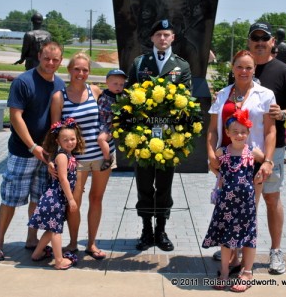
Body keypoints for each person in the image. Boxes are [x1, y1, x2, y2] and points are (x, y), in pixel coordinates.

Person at [0, 41, 65, 261]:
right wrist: (33, 146)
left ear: (61, 61)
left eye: (55, 59)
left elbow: (55, 121)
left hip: (46, 153)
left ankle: (32, 239)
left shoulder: (58, 84)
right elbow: (15, 116)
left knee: (38, 199)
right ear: (40, 56)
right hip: (23, 151)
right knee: (11, 199)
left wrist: (52, 149)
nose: (50, 63)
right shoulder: (23, 81)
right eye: (47, 58)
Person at [127, 19, 191, 252]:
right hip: (143, 135)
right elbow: (129, 97)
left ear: (173, 38)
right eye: (159, 35)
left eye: (167, 35)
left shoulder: (181, 66)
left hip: (168, 136)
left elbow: (187, 101)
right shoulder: (140, 62)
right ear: (152, 38)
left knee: (164, 185)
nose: (163, 39)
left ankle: (161, 230)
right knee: (144, 184)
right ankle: (146, 230)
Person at [207, 50, 276, 267]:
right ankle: (232, 258)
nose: (244, 71)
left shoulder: (265, 94)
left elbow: (270, 131)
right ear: (232, 68)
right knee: (226, 210)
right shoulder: (222, 95)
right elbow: (212, 130)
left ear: (255, 69)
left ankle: (245, 266)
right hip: (226, 162)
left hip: (251, 163)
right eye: (239, 66)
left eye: (248, 67)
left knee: (247, 213)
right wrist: (211, 155)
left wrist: (267, 160)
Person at [247, 22, 286, 274]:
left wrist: (283, 113)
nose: (260, 42)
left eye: (265, 38)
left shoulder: (283, 71)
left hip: (273, 148)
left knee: (271, 199)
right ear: (249, 42)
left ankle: (275, 251)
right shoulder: (242, 67)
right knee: (243, 200)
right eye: (255, 38)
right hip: (243, 148)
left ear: (273, 42)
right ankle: (238, 246)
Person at [50, 52, 115, 260]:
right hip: (75, 161)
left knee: (96, 199)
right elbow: (55, 131)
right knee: (74, 201)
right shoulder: (60, 97)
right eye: (76, 69)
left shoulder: (95, 91)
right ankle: (72, 242)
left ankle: (91, 243)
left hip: (101, 157)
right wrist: (53, 160)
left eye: (85, 70)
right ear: (69, 70)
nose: (80, 73)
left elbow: (108, 118)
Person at [203, 110, 264, 292]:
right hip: (226, 204)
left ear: (248, 133)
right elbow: (211, 165)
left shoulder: (252, 153)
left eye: (243, 132)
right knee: (225, 238)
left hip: (246, 205)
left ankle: (247, 272)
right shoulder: (223, 151)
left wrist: (260, 173)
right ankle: (224, 271)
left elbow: (266, 162)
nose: (239, 135)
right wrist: (221, 176)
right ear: (227, 133)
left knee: (248, 237)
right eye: (235, 131)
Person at [28, 118, 85, 270]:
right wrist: (72, 200)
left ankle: (37, 253)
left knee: (50, 229)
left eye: (72, 139)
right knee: (55, 230)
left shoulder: (69, 155)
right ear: (58, 141)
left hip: (57, 198)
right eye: (65, 140)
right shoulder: (62, 156)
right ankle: (59, 261)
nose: (70, 142)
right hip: (55, 199)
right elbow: (63, 180)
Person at [97, 69, 127, 171]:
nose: (119, 87)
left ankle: (107, 158)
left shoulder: (122, 97)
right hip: (101, 121)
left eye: (121, 84)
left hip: (110, 124)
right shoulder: (103, 94)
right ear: (107, 83)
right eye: (115, 84)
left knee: (101, 139)